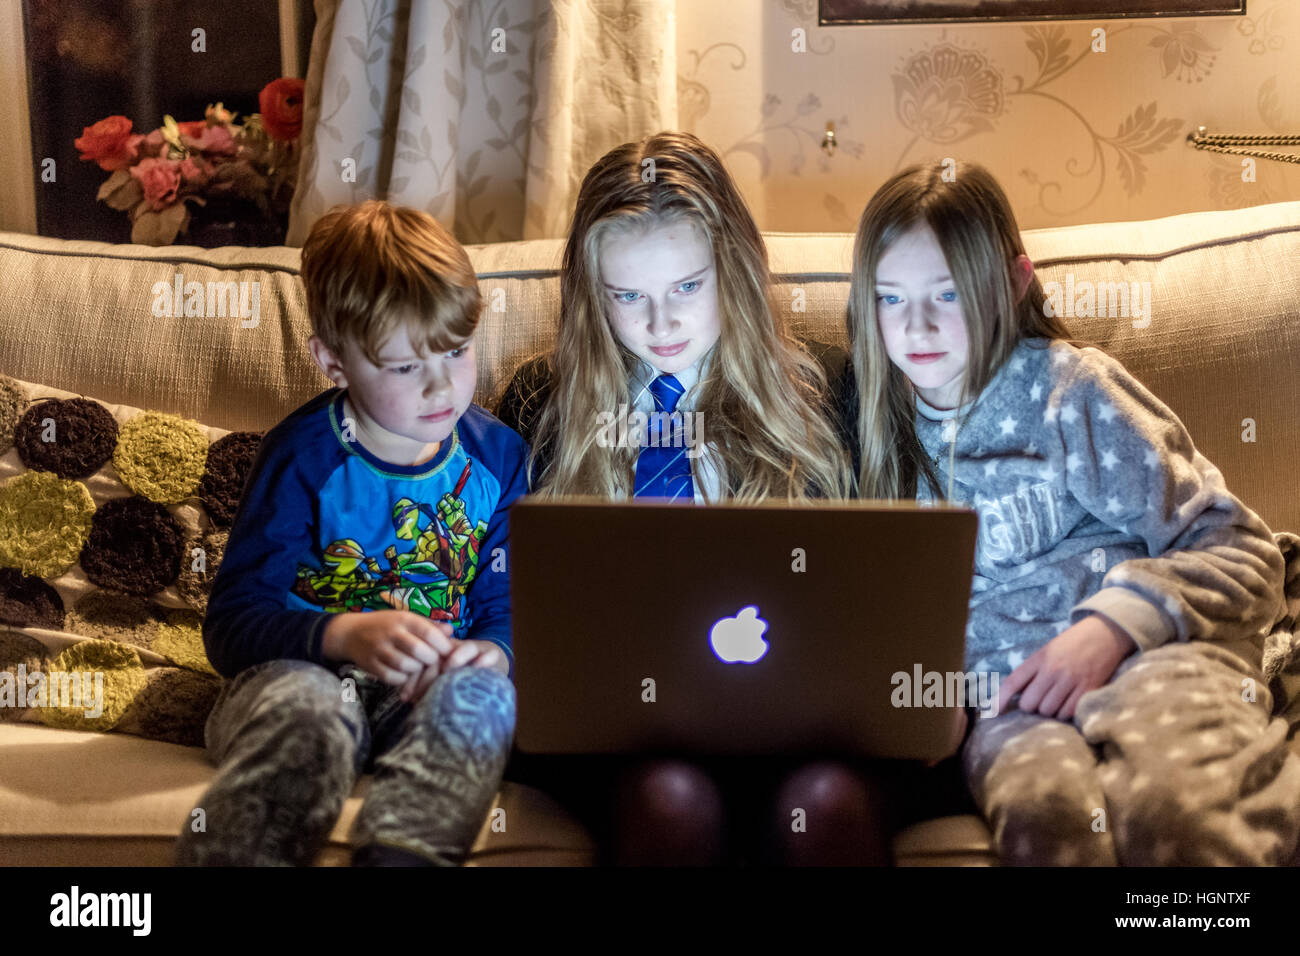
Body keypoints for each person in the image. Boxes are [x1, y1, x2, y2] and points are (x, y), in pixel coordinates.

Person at [840, 158, 1300, 865]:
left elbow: (1241, 547)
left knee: (1175, 807)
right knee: (1045, 815)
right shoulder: (869, 429)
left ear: (1016, 281)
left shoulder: (1070, 392)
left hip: (1154, 655)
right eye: (890, 298)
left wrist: (1110, 628)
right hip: (1010, 701)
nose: (917, 325)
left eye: (949, 294)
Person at [496, 130, 932, 866]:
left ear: (734, 270)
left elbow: (887, 585)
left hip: (806, 728)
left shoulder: (832, 391)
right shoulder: (540, 404)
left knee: (824, 802)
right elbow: (507, 593)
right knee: (671, 799)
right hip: (619, 738)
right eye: (626, 296)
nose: (659, 325)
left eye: (687, 288)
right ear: (590, 293)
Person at [176, 200, 528, 867]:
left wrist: (494, 654)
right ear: (333, 362)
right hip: (298, 680)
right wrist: (340, 635)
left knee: (485, 697)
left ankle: (399, 859)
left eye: (455, 352)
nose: (440, 386)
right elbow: (230, 628)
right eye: (403, 367)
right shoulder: (302, 456)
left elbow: (506, 608)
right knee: (310, 707)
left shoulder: (500, 459)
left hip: (420, 700)